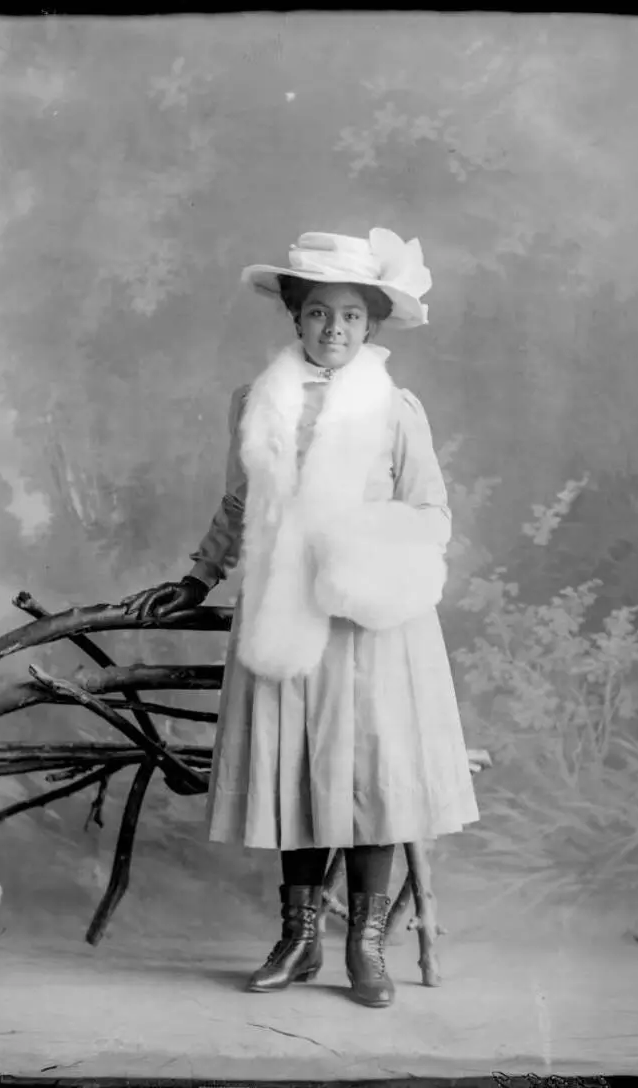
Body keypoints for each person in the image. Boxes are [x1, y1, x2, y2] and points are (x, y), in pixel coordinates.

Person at [122, 228, 480, 1009]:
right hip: (286, 609)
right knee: (300, 766)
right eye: (319, 313)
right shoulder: (257, 404)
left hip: (371, 616)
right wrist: (197, 577)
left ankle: (366, 945)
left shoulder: (394, 408)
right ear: (295, 317)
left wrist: (361, 554)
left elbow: (430, 512)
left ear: (372, 324)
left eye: (352, 316)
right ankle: (299, 938)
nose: (335, 331)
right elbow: (238, 504)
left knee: (372, 773)